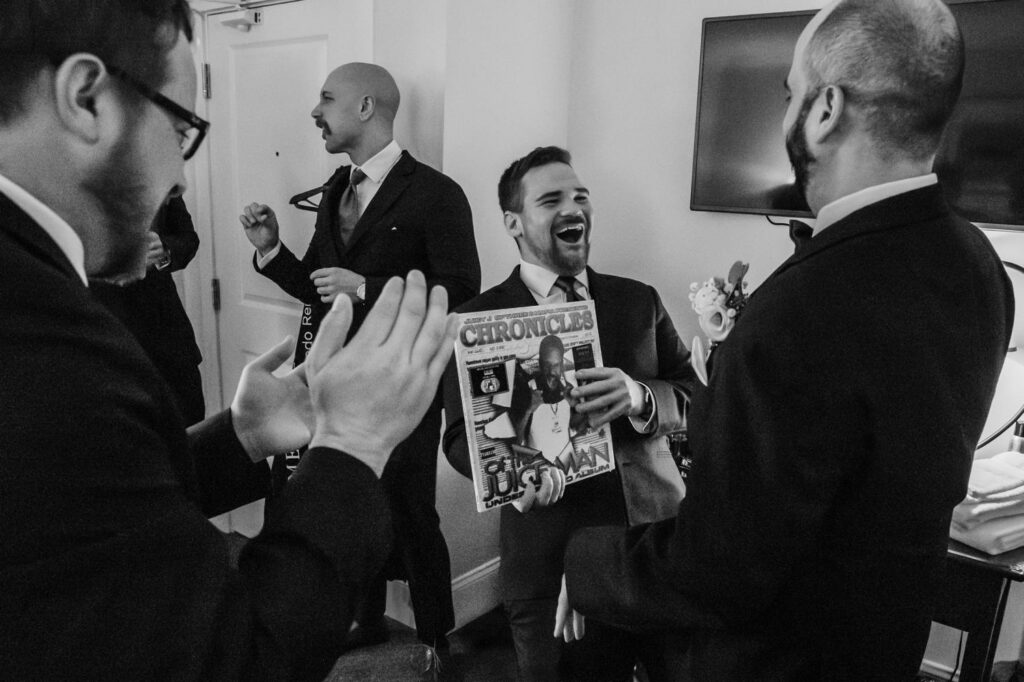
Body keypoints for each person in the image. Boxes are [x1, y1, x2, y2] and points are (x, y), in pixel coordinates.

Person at [556, 1, 1015, 679]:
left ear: (826, 108)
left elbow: (717, 572)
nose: (788, 114)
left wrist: (586, 561)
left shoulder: (800, 309)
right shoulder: (982, 266)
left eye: (790, 93)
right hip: (884, 645)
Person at [0, 2, 457, 680]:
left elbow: (80, 522)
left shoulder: (436, 193)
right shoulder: (50, 342)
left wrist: (236, 438)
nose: (183, 177)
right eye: (182, 128)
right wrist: (351, 444)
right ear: (85, 98)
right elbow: (233, 659)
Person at [239, 61, 480, 662]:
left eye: (325, 99)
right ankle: (366, 621)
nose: (314, 112)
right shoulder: (333, 193)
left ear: (367, 107)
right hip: (333, 386)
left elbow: (463, 290)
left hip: (401, 386)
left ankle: (434, 640)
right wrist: (272, 251)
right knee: (354, 506)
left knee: (412, 512)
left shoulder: (437, 193)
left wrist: (367, 286)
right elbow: (321, 288)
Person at [442, 146, 695, 681]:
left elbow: (695, 394)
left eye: (581, 196)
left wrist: (641, 398)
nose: (573, 207)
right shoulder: (472, 321)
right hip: (550, 558)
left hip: (656, 547)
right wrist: (513, 478)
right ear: (513, 221)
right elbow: (461, 440)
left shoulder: (638, 301)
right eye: (551, 198)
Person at [91, 194, 205, 425]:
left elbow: (188, 239)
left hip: (167, 338)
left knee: (191, 432)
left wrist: (164, 250)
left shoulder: (156, 172)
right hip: (103, 342)